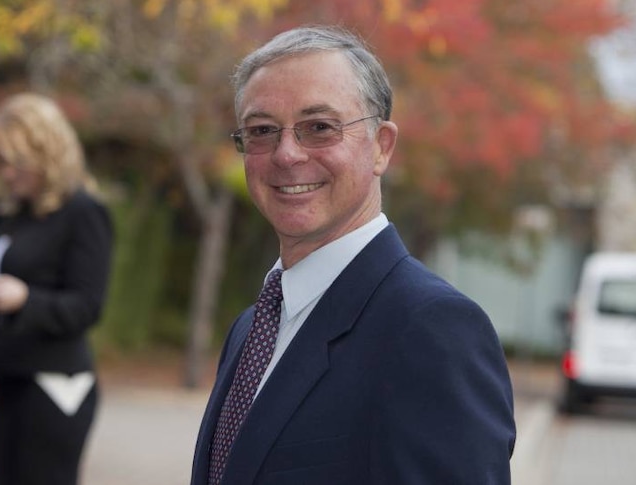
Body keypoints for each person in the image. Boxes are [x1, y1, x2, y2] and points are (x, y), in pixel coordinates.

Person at [191, 26, 516, 485]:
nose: (286, 154)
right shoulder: (252, 327)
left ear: (381, 147)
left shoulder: (432, 329)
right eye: (262, 131)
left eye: (319, 128)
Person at [0, 92, 113, 485]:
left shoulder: (83, 212)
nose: (6, 173)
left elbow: (86, 307)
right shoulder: (11, 214)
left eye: (16, 162)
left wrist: (26, 298)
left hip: (54, 387)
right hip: (11, 378)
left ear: (48, 153)